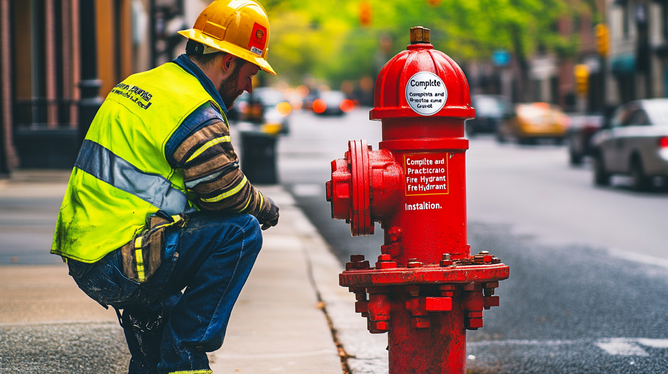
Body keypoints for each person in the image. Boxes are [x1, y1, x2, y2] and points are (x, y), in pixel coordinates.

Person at [50, 1, 279, 373]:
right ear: (227, 62)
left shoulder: (141, 84)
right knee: (241, 231)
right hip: (120, 261)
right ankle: (185, 353)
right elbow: (225, 193)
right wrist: (265, 207)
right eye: (249, 72)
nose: (249, 87)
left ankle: (152, 359)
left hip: (88, 253)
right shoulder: (195, 109)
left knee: (179, 238)